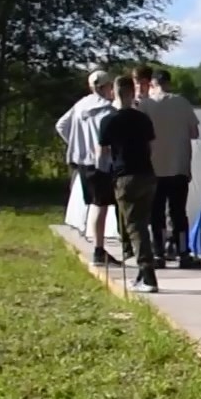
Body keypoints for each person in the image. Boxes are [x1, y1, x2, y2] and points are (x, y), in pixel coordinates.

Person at [99, 75, 159, 294]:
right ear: (132, 93)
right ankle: (142, 274)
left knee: (135, 227)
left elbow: (102, 155)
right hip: (147, 174)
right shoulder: (143, 119)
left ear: (114, 92)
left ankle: (148, 275)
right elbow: (151, 148)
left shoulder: (109, 120)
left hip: (125, 176)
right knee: (143, 223)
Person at [56, 70, 118, 263]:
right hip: (102, 162)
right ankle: (99, 249)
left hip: (82, 161)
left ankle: (94, 243)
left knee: (93, 203)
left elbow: (61, 125)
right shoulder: (108, 110)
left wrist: (75, 144)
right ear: (106, 87)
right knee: (101, 205)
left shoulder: (80, 105)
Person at [142, 67, 200, 268]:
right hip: (179, 165)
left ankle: (158, 253)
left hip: (154, 167)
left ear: (152, 84)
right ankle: (183, 253)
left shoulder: (145, 105)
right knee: (178, 212)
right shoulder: (182, 103)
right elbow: (194, 133)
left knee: (156, 213)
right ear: (168, 83)